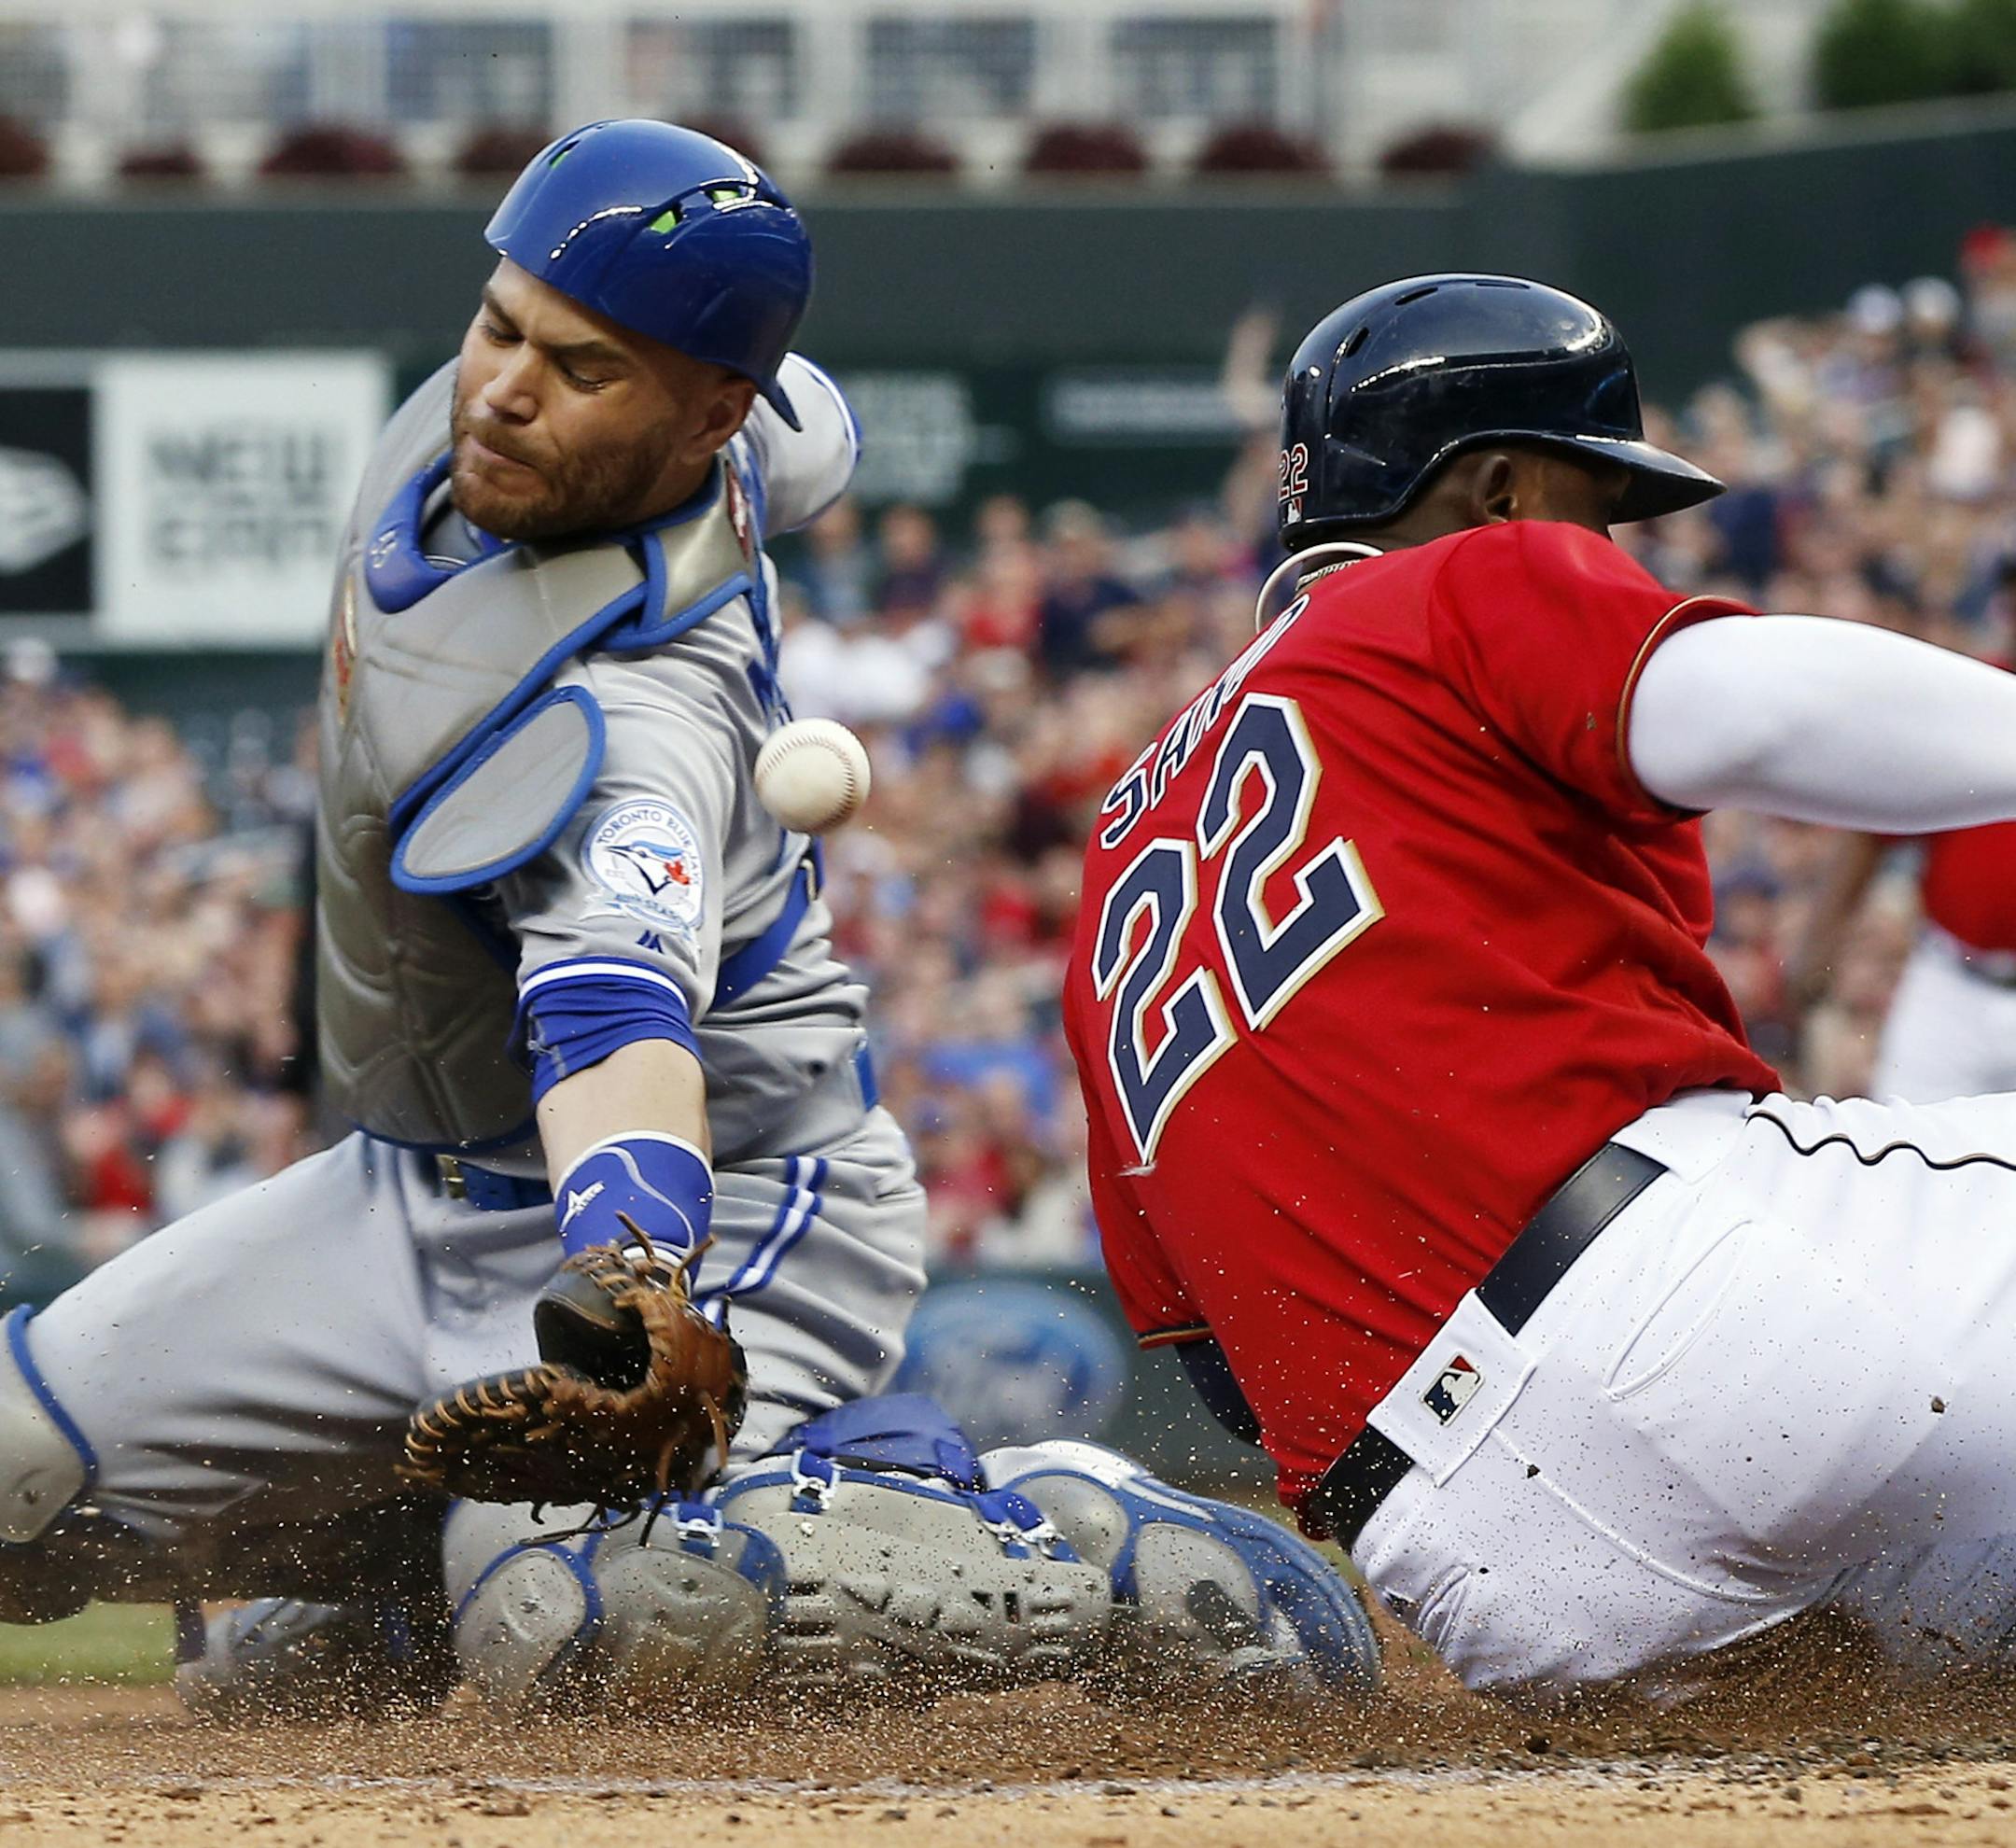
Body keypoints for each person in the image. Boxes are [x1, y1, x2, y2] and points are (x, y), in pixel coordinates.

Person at [0, 119, 1367, 1717]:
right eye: (501, 323)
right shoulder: (694, 426)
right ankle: (395, 1577)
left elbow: (610, 1019)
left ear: (700, 409)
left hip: (726, 1201)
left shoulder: (636, 719)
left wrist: (635, 1258)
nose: (507, 384)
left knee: (587, 1625)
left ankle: (1088, 1546)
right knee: (21, 1480)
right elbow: (820, 423)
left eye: (580, 367)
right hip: (402, 1192)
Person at [1064, 272, 2016, 1695]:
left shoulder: (1122, 851)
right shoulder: (1450, 585)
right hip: (1698, 1313)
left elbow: (1208, 1360)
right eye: (1599, 504)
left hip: (1483, 1566)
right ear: (1498, 487)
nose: (1616, 547)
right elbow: (1755, 704)